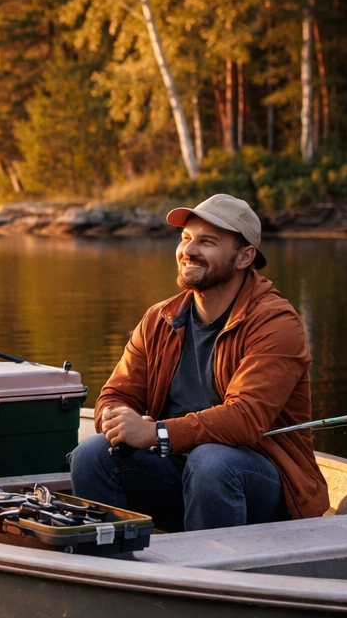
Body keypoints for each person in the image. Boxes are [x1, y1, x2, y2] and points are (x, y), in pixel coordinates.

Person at [70, 193, 329, 531]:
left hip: (264, 485)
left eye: (207, 242)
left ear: (244, 257)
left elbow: (245, 419)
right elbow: (114, 395)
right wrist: (116, 419)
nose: (189, 251)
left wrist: (155, 432)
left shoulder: (276, 323)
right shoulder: (160, 319)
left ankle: (210, 575)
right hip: (179, 472)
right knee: (91, 455)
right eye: (186, 239)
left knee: (212, 462)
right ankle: (115, 570)